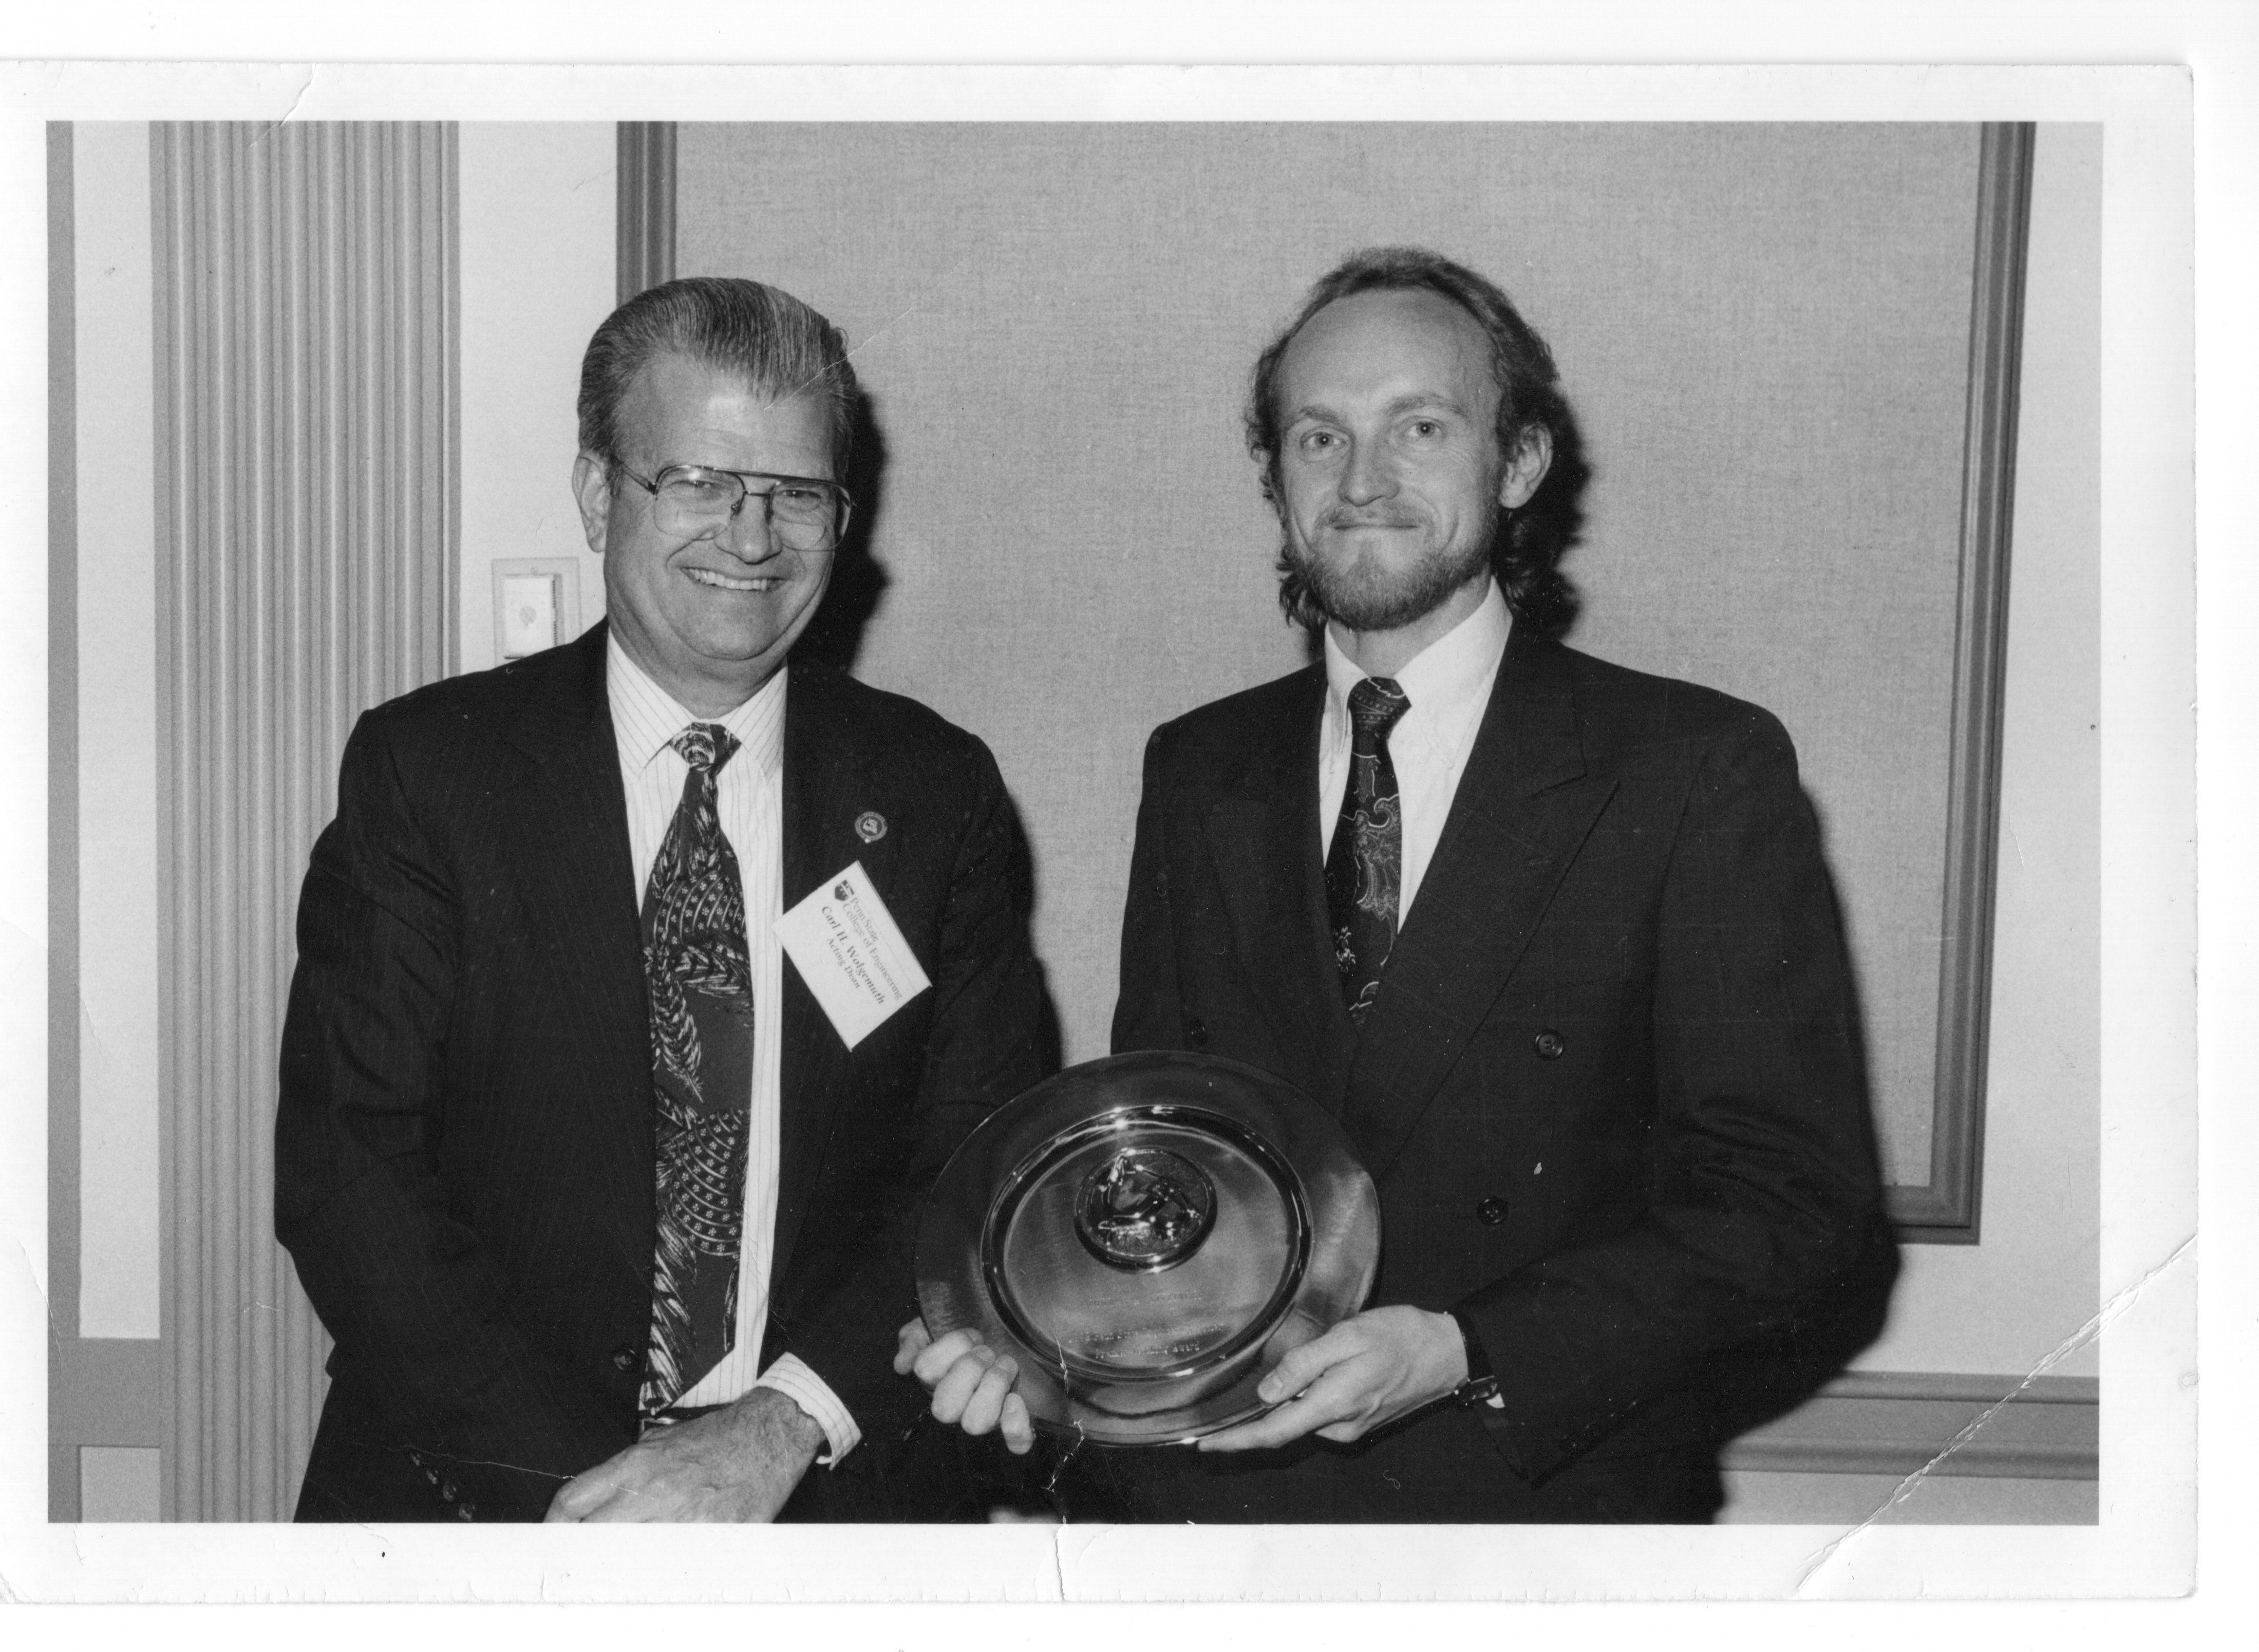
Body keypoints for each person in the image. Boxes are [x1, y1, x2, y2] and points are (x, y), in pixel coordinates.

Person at [901, 247, 1888, 1522]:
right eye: (1318, 437)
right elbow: (1174, 1163)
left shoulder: (1692, 770)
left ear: (1517, 461)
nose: (1362, 481)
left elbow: (1791, 1211)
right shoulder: (1198, 767)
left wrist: (1467, 1353)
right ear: (1272, 478)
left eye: (1418, 427)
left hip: (1532, 1514)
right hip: (1214, 1517)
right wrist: (1039, 1337)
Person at [278, 277, 1054, 1523]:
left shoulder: (932, 791)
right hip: (478, 1493)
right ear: (600, 495)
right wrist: (603, 1501)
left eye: (796, 493)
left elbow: (973, 1161)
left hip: (814, 1492)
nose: (750, 539)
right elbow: (348, 1171)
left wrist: (778, 1428)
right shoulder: (434, 771)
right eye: (696, 480)